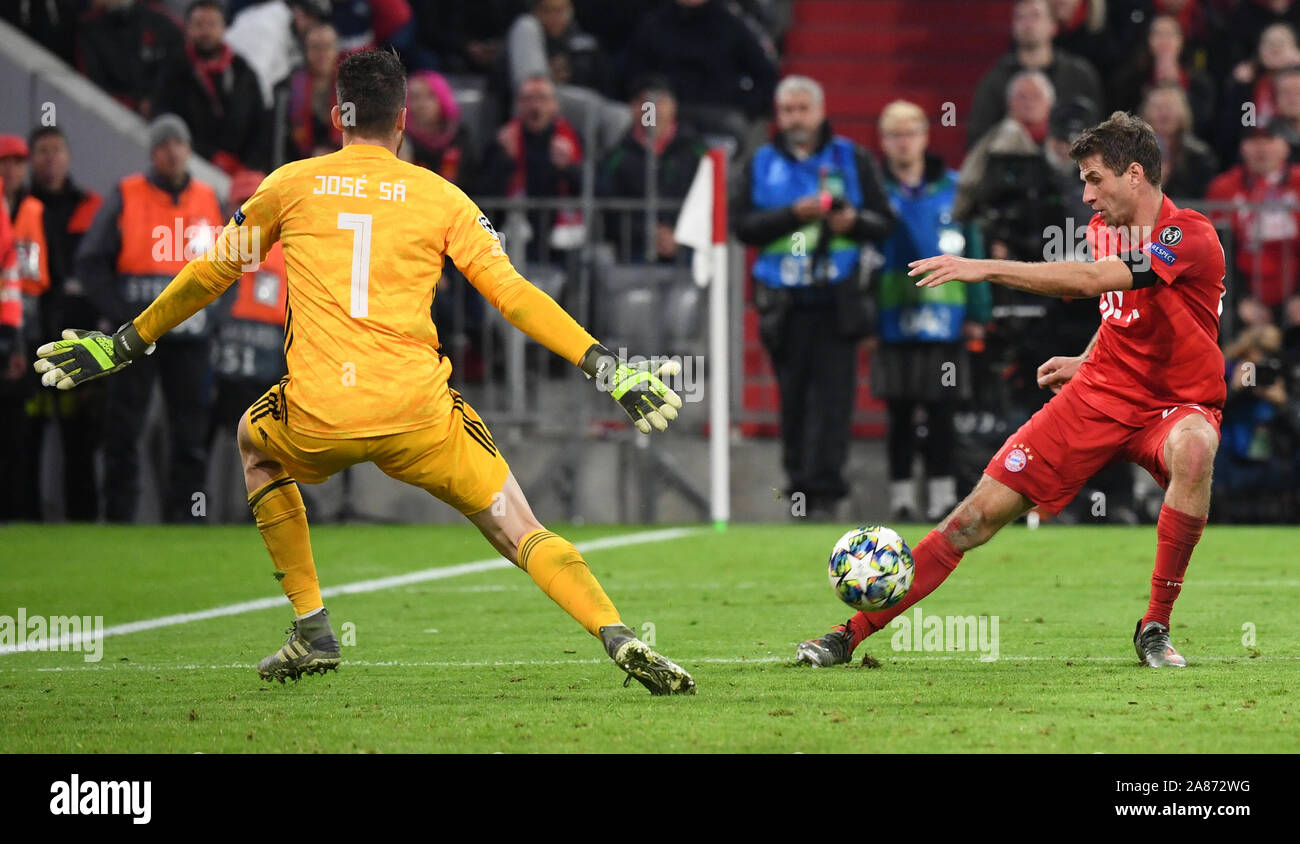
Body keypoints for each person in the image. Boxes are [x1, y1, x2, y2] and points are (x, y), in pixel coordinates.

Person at [34, 50, 694, 695]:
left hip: (319, 413)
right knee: (519, 526)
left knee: (252, 440)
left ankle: (313, 625)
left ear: (335, 116)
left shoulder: (289, 184)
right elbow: (512, 293)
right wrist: (604, 363)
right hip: (419, 416)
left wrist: (124, 343)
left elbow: (213, 272)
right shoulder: (441, 197)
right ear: (404, 119)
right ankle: (613, 632)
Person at [797, 111, 1227, 669]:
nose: (1087, 193)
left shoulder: (1188, 236)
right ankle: (847, 634)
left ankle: (1155, 626)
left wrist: (983, 267)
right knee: (972, 520)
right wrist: (1086, 359)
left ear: (1136, 175)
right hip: (1100, 394)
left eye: (1095, 179)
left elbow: (1095, 281)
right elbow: (1119, 308)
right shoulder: (1102, 231)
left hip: (1176, 405)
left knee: (1195, 447)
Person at [731, 75, 896, 521]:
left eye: (804, 108)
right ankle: (799, 494)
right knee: (793, 400)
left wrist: (854, 223)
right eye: (788, 110)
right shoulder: (760, 161)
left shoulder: (852, 157)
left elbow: (885, 221)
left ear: (821, 111)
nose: (796, 118)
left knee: (835, 401)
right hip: (783, 302)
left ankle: (827, 495)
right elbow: (741, 226)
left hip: (838, 299)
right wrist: (792, 215)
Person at [75, 115, 223, 523]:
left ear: (189, 149)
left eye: (179, 143)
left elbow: (236, 267)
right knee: (124, 428)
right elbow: (90, 262)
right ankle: (120, 516)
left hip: (191, 338)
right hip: (137, 335)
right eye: (164, 145)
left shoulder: (210, 199)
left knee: (190, 433)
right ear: (153, 152)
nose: (173, 151)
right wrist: (120, 313)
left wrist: (214, 319)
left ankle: (185, 518)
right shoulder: (127, 194)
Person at [871, 101, 991, 522]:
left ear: (925, 136)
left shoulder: (955, 189)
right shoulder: (874, 193)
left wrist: (979, 308)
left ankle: (942, 496)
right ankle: (901, 497)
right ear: (883, 142)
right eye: (893, 134)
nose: (902, 142)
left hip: (946, 321)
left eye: (910, 132)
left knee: (943, 411)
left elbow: (974, 248)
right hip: (893, 319)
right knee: (899, 412)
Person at [966, 0, 1103, 150]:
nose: (1027, 24)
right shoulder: (995, 80)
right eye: (1020, 17)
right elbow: (977, 140)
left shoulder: (1078, 76)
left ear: (1053, 25)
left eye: (1035, 16)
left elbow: (1099, 133)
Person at [154, 0, 271, 174]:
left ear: (224, 28)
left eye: (212, 24)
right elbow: (165, 119)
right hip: (189, 167)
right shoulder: (172, 70)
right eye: (199, 24)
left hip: (240, 172)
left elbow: (261, 124)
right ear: (188, 29)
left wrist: (248, 165)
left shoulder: (243, 71)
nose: (206, 31)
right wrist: (209, 155)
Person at [1205, 118, 1300, 314]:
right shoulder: (1224, 188)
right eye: (1254, 141)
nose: (1261, 148)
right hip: (1240, 297)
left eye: (1269, 139)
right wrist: (1238, 299)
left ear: (1285, 146)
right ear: (1242, 147)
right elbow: (1215, 252)